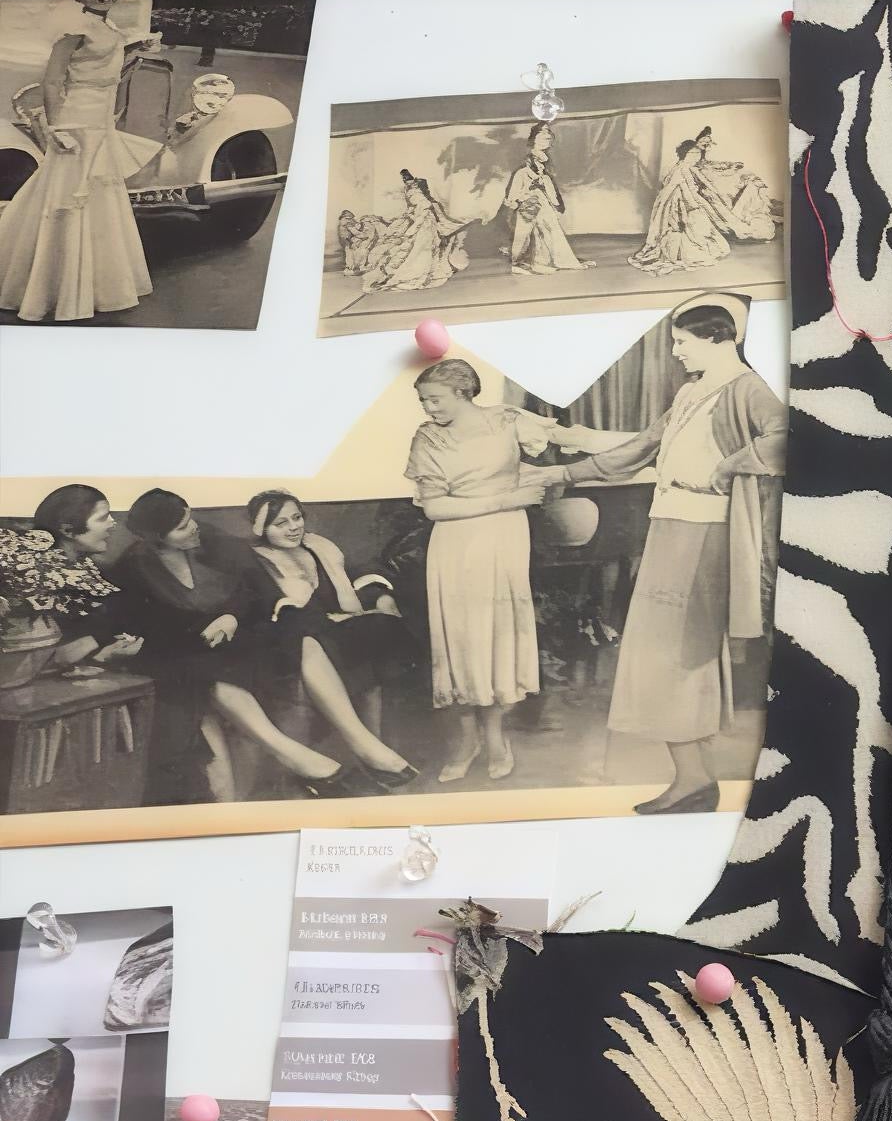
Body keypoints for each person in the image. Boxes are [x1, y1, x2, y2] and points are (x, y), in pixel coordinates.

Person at [586, 299, 784, 811]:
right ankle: (694, 777)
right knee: (663, 653)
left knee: (680, 652)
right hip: (670, 523)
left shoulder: (747, 388)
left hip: (704, 530)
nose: (675, 352)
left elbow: (787, 437)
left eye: (682, 342)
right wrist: (560, 471)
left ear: (720, 338)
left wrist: (731, 465)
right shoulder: (691, 391)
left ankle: (694, 780)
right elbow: (642, 446)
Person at [403, 358, 586, 783]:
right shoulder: (428, 438)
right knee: (462, 639)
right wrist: (506, 499)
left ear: (463, 392)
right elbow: (435, 508)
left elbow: (567, 443)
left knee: (497, 635)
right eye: (424, 401)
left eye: (435, 399)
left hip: (504, 538)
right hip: (456, 542)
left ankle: (496, 737)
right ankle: (467, 741)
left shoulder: (506, 420)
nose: (428, 408)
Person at [111, 491, 350, 803]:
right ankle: (298, 759)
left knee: (294, 635)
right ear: (158, 538)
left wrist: (230, 616)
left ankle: (328, 755)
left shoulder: (211, 540)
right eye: (182, 527)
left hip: (231, 641)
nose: (194, 527)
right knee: (202, 674)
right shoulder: (135, 567)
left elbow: (251, 587)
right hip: (183, 652)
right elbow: (150, 630)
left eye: (190, 518)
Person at [236, 492, 418, 783]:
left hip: (336, 630)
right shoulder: (256, 562)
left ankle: (373, 750)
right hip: (292, 641)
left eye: (297, 518)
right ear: (261, 528)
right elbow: (273, 611)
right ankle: (367, 752)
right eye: (281, 523)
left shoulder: (320, 548)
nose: (293, 527)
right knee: (327, 636)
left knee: (384, 624)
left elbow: (358, 572)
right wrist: (329, 620)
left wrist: (379, 596)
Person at [0, 0, 151, 325]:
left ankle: (96, 285)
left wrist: (133, 51)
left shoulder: (109, 27)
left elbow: (102, 70)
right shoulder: (73, 27)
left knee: (99, 193)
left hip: (100, 121)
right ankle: (51, 288)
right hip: (76, 121)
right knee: (66, 193)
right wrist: (56, 128)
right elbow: (53, 81)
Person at [30, 486, 142, 676]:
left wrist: (105, 652)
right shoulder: (32, 579)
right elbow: (54, 657)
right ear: (67, 530)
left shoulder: (102, 572)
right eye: (102, 518)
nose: (113, 523)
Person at [632, 129, 729, 271]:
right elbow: (683, 185)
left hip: (682, 192)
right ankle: (679, 252)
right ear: (686, 154)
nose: (695, 156)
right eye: (692, 154)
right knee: (684, 221)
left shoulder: (687, 165)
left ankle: (689, 248)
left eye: (697, 154)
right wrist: (693, 201)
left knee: (696, 221)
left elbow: (696, 177)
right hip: (678, 196)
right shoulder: (682, 168)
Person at [357, 170, 465, 294]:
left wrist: (410, 229)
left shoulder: (420, 199)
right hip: (422, 227)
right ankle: (407, 273)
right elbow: (417, 213)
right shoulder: (418, 199)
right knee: (414, 252)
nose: (406, 183)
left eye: (407, 180)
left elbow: (422, 215)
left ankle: (418, 274)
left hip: (424, 229)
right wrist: (408, 222)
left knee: (419, 251)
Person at [501, 124, 580, 277]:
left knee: (547, 228)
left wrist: (555, 203)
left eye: (548, 132)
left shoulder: (544, 167)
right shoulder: (524, 169)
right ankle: (519, 263)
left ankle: (543, 261)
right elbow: (516, 191)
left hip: (540, 201)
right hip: (528, 202)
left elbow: (547, 185)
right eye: (542, 132)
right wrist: (523, 197)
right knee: (525, 232)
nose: (547, 135)